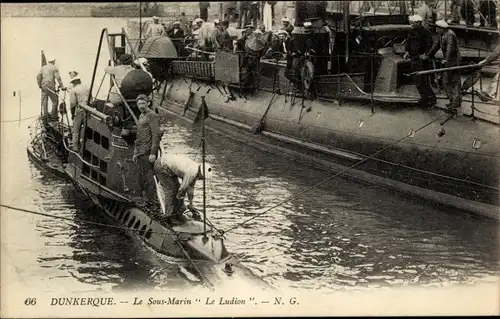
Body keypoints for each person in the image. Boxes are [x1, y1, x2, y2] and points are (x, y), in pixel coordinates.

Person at [154, 153, 212, 223]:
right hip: (161, 166)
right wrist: (182, 207)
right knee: (171, 192)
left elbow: (190, 188)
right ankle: (168, 216)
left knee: (176, 190)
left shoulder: (196, 170)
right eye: (202, 178)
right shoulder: (192, 173)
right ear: (201, 174)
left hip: (169, 167)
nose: (201, 179)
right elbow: (182, 191)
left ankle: (175, 213)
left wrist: (191, 203)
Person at [426, 20, 462, 112]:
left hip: (453, 61)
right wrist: (428, 55)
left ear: (442, 29)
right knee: (447, 81)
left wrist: (446, 59)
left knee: (451, 81)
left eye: (437, 28)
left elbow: (450, 47)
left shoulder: (450, 35)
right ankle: (453, 101)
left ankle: (455, 102)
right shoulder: (441, 35)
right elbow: (436, 45)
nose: (436, 29)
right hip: (449, 61)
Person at [133, 94, 163, 203]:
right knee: (142, 177)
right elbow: (140, 136)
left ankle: (152, 201)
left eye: (143, 103)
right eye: (139, 104)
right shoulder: (141, 116)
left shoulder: (152, 116)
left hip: (147, 152)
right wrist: (136, 152)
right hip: (140, 151)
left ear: (148, 103)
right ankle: (145, 199)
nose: (141, 106)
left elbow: (156, 134)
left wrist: (153, 153)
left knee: (149, 177)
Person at [404, 15, 436, 107]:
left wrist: (425, 54)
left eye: (413, 23)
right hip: (414, 58)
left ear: (418, 23)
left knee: (422, 80)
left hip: (421, 59)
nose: (412, 24)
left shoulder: (425, 32)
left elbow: (430, 44)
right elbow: (408, 42)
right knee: (417, 80)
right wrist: (406, 52)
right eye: (411, 23)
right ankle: (424, 98)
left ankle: (431, 98)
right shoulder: (412, 31)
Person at [36, 56, 65, 123]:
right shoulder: (54, 68)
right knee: (55, 101)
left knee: (44, 102)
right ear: (53, 61)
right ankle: (53, 117)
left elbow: (38, 76)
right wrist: (62, 86)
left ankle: (45, 117)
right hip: (50, 86)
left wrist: (40, 85)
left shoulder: (43, 68)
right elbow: (58, 78)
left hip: (43, 86)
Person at [68, 76, 90, 151]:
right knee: (85, 127)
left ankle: (75, 148)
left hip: (80, 110)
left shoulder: (73, 90)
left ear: (74, 83)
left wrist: (72, 114)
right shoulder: (87, 88)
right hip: (88, 110)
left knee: (76, 129)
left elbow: (72, 104)